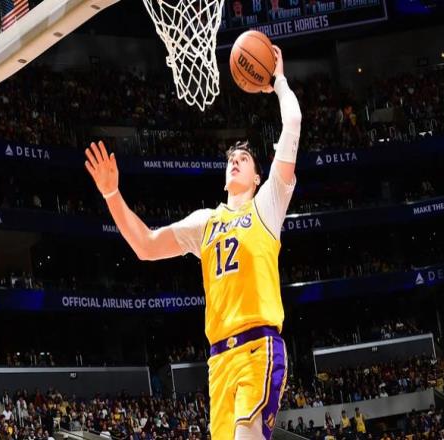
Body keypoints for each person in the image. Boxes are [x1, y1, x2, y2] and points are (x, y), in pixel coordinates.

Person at [85, 45, 302, 440]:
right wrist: (112, 195)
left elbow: (293, 123)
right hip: (219, 362)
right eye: (231, 159)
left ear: (258, 178)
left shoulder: (268, 206)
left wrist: (279, 82)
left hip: (259, 348)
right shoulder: (205, 222)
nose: (235, 161)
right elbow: (146, 245)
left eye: (244, 159)